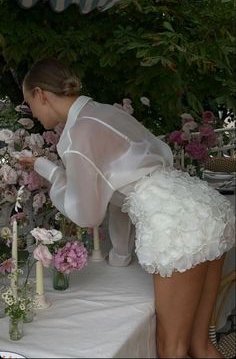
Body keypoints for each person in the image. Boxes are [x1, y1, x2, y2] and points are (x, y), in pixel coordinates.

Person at [19, 58, 235, 359]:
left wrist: (51, 171)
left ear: (41, 94)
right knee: (200, 345)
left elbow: (88, 214)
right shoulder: (105, 112)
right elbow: (123, 195)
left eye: (30, 102)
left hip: (178, 226)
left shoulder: (76, 136)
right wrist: (120, 255)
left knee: (171, 350)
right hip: (205, 208)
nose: (33, 112)